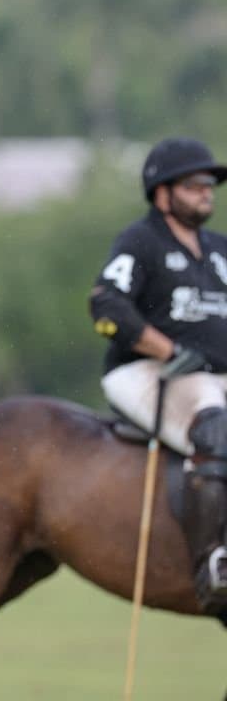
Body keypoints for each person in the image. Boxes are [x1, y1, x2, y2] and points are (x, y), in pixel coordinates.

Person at [89, 136, 227, 613]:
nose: (206, 191)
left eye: (210, 184)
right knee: (215, 430)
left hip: (215, 376)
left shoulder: (220, 250)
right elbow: (106, 306)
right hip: (149, 371)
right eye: (194, 184)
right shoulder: (141, 242)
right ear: (162, 193)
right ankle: (214, 563)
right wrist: (168, 350)